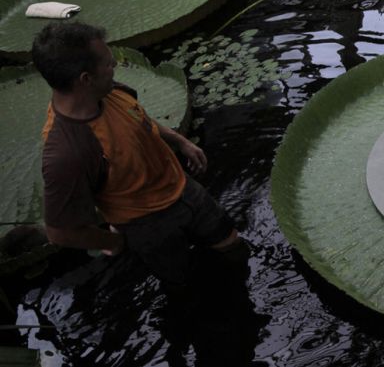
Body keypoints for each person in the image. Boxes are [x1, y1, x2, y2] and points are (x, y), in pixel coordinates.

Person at [32, 22, 247, 291]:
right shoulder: (67, 152)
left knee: (233, 246)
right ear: (85, 79)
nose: (115, 68)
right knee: (187, 283)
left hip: (181, 187)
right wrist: (113, 243)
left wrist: (180, 141)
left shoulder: (107, 91)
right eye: (108, 64)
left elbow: (137, 118)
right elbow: (60, 231)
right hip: (147, 224)